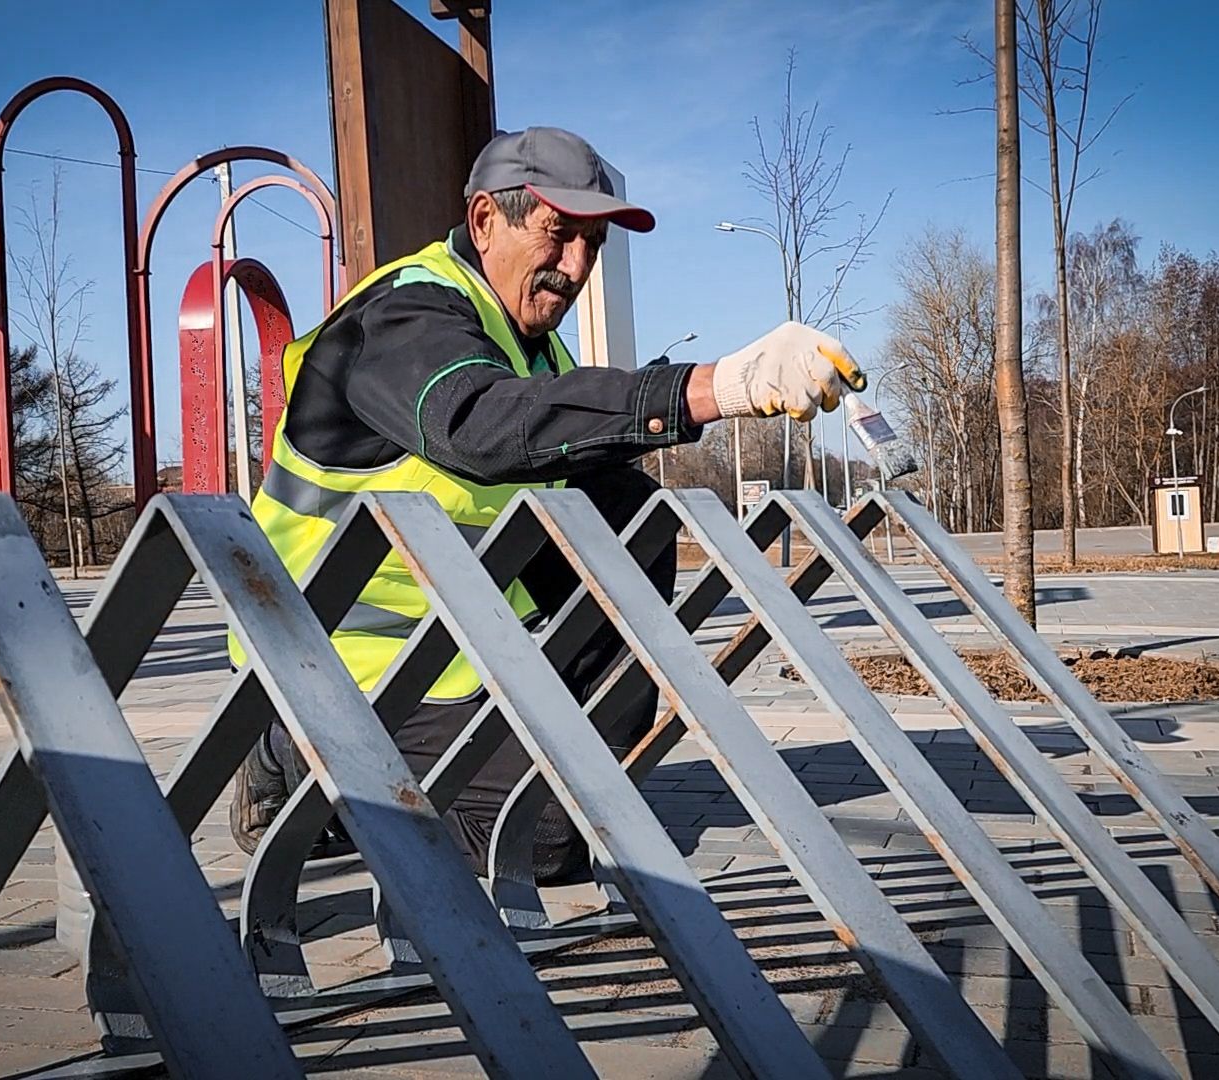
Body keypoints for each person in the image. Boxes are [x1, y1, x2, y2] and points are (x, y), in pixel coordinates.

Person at [230, 126, 855, 880]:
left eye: (593, 244)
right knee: (543, 842)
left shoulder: (529, 343)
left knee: (625, 505)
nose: (577, 266)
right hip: (335, 657)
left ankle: (571, 764)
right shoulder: (403, 317)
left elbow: (560, 435)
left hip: (459, 649)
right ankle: (294, 758)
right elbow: (480, 424)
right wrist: (714, 386)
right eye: (559, 235)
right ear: (485, 219)